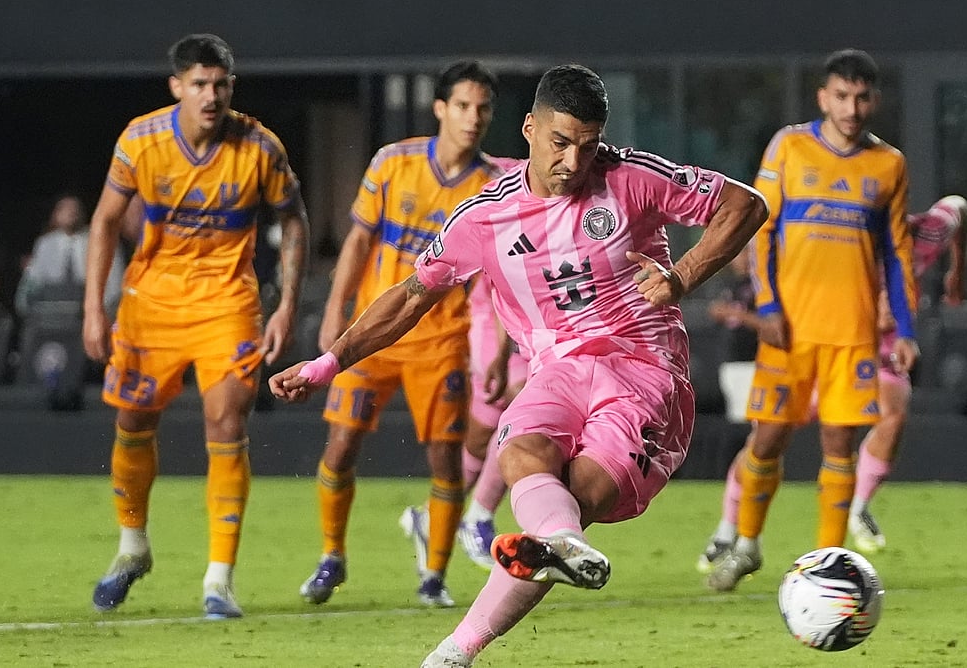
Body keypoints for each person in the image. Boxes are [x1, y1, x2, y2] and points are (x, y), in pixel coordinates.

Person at [269, 64, 766, 667]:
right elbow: (410, 295)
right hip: (557, 370)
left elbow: (746, 204)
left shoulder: (631, 176)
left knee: (578, 496)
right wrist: (329, 362)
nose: (573, 161)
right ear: (530, 129)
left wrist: (681, 276)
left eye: (587, 146)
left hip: (644, 371)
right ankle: (462, 645)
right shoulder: (483, 217)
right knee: (521, 454)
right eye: (560, 143)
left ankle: (499, 603)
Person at [82, 33, 310, 619]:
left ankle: (219, 579)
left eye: (221, 85)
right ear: (177, 87)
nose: (211, 96)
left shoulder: (260, 146)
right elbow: (105, 222)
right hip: (149, 304)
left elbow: (295, 219)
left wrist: (286, 304)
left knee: (226, 417)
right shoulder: (141, 140)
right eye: (200, 84)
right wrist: (93, 308)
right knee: (133, 420)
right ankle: (133, 547)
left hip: (227, 303)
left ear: (231, 87)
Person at [705, 49, 918, 593]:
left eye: (862, 96)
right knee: (768, 438)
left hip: (852, 333)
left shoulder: (888, 164)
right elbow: (760, 230)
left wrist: (908, 331)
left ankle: (830, 566)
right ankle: (746, 544)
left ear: (876, 99)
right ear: (823, 97)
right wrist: (769, 308)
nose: (852, 108)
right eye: (841, 96)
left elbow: (896, 254)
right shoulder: (789, 146)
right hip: (790, 331)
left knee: (839, 448)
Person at [296, 61, 507, 608]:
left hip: (441, 341)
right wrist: (335, 311)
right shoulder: (392, 163)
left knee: (444, 461)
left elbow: (499, 278)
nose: (473, 117)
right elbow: (358, 243)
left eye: (483, 108)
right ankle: (330, 557)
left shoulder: (493, 186)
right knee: (340, 447)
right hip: (372, 332)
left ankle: (434, 576)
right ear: (440, 108)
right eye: (463, 105)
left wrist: (502, 348)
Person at [697, 195, 967, 569]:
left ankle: (857, 510)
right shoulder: (829, 239)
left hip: (874, 355)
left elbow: (958, 209)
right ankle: (728, 530)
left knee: (892, 412)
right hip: (818, 349)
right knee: (766, 441)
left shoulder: (923, 232)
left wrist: (959, 271)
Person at [454, 272, 529, 570]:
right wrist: (500, 352)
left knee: (481, 437)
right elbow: (502, 284)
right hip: (494, 326)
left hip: (523, 332)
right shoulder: (509, 226)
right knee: (523, 403)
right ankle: (478, 517)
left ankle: (436, 514)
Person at [15, 194, 125, 317]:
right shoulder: (45, 244)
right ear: (55, 215)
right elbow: (34, 282)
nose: (71, 212)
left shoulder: (100, 240)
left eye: (74, 208)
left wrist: (98, 310)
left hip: (90, 312)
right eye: (65, 208)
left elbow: (115, 282)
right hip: (53, 316)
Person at [706, 248, 760, 423]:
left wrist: (738, 315)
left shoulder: (760, 284)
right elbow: (712, 310)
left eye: (747, 253)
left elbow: (766, 322)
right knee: (736, 416)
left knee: (754, 418)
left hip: (754, 360)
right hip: (730, 360)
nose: (742, 259)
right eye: (738, 253)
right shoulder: (725, 284)